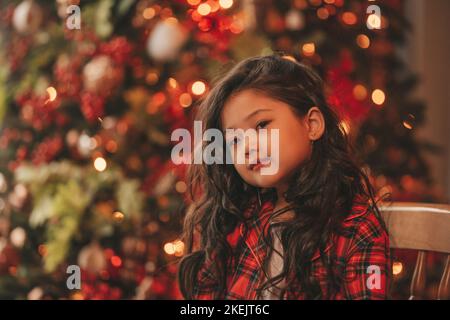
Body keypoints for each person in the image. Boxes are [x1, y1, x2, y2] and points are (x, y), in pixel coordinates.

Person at [177, 54, 391, 300]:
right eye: (234, 140)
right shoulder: (235, 218)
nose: (247, 147)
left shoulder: (356, 227)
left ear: (311, 125)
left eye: (261, 125)